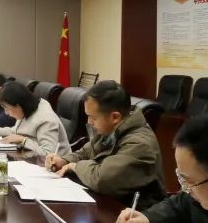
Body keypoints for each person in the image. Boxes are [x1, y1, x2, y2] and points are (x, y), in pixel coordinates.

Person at [45, 80, 164, 209]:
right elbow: (85, 152)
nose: (89, 122)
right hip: (107, 204)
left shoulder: (140, 144)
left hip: (133, 214)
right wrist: (63, 161)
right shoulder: (110, 129)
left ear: (115, 117)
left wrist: (75, 166)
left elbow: (102, 179)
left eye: (93, 117)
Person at [0, 81, 71, 158]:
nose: (6, 113)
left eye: (7, 108)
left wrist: (23, 140)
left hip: (55, 168)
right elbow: (17, 131)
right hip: (30, 159)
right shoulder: (27, 109)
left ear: (18, 106)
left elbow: (48, 154)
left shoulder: (45, 119)